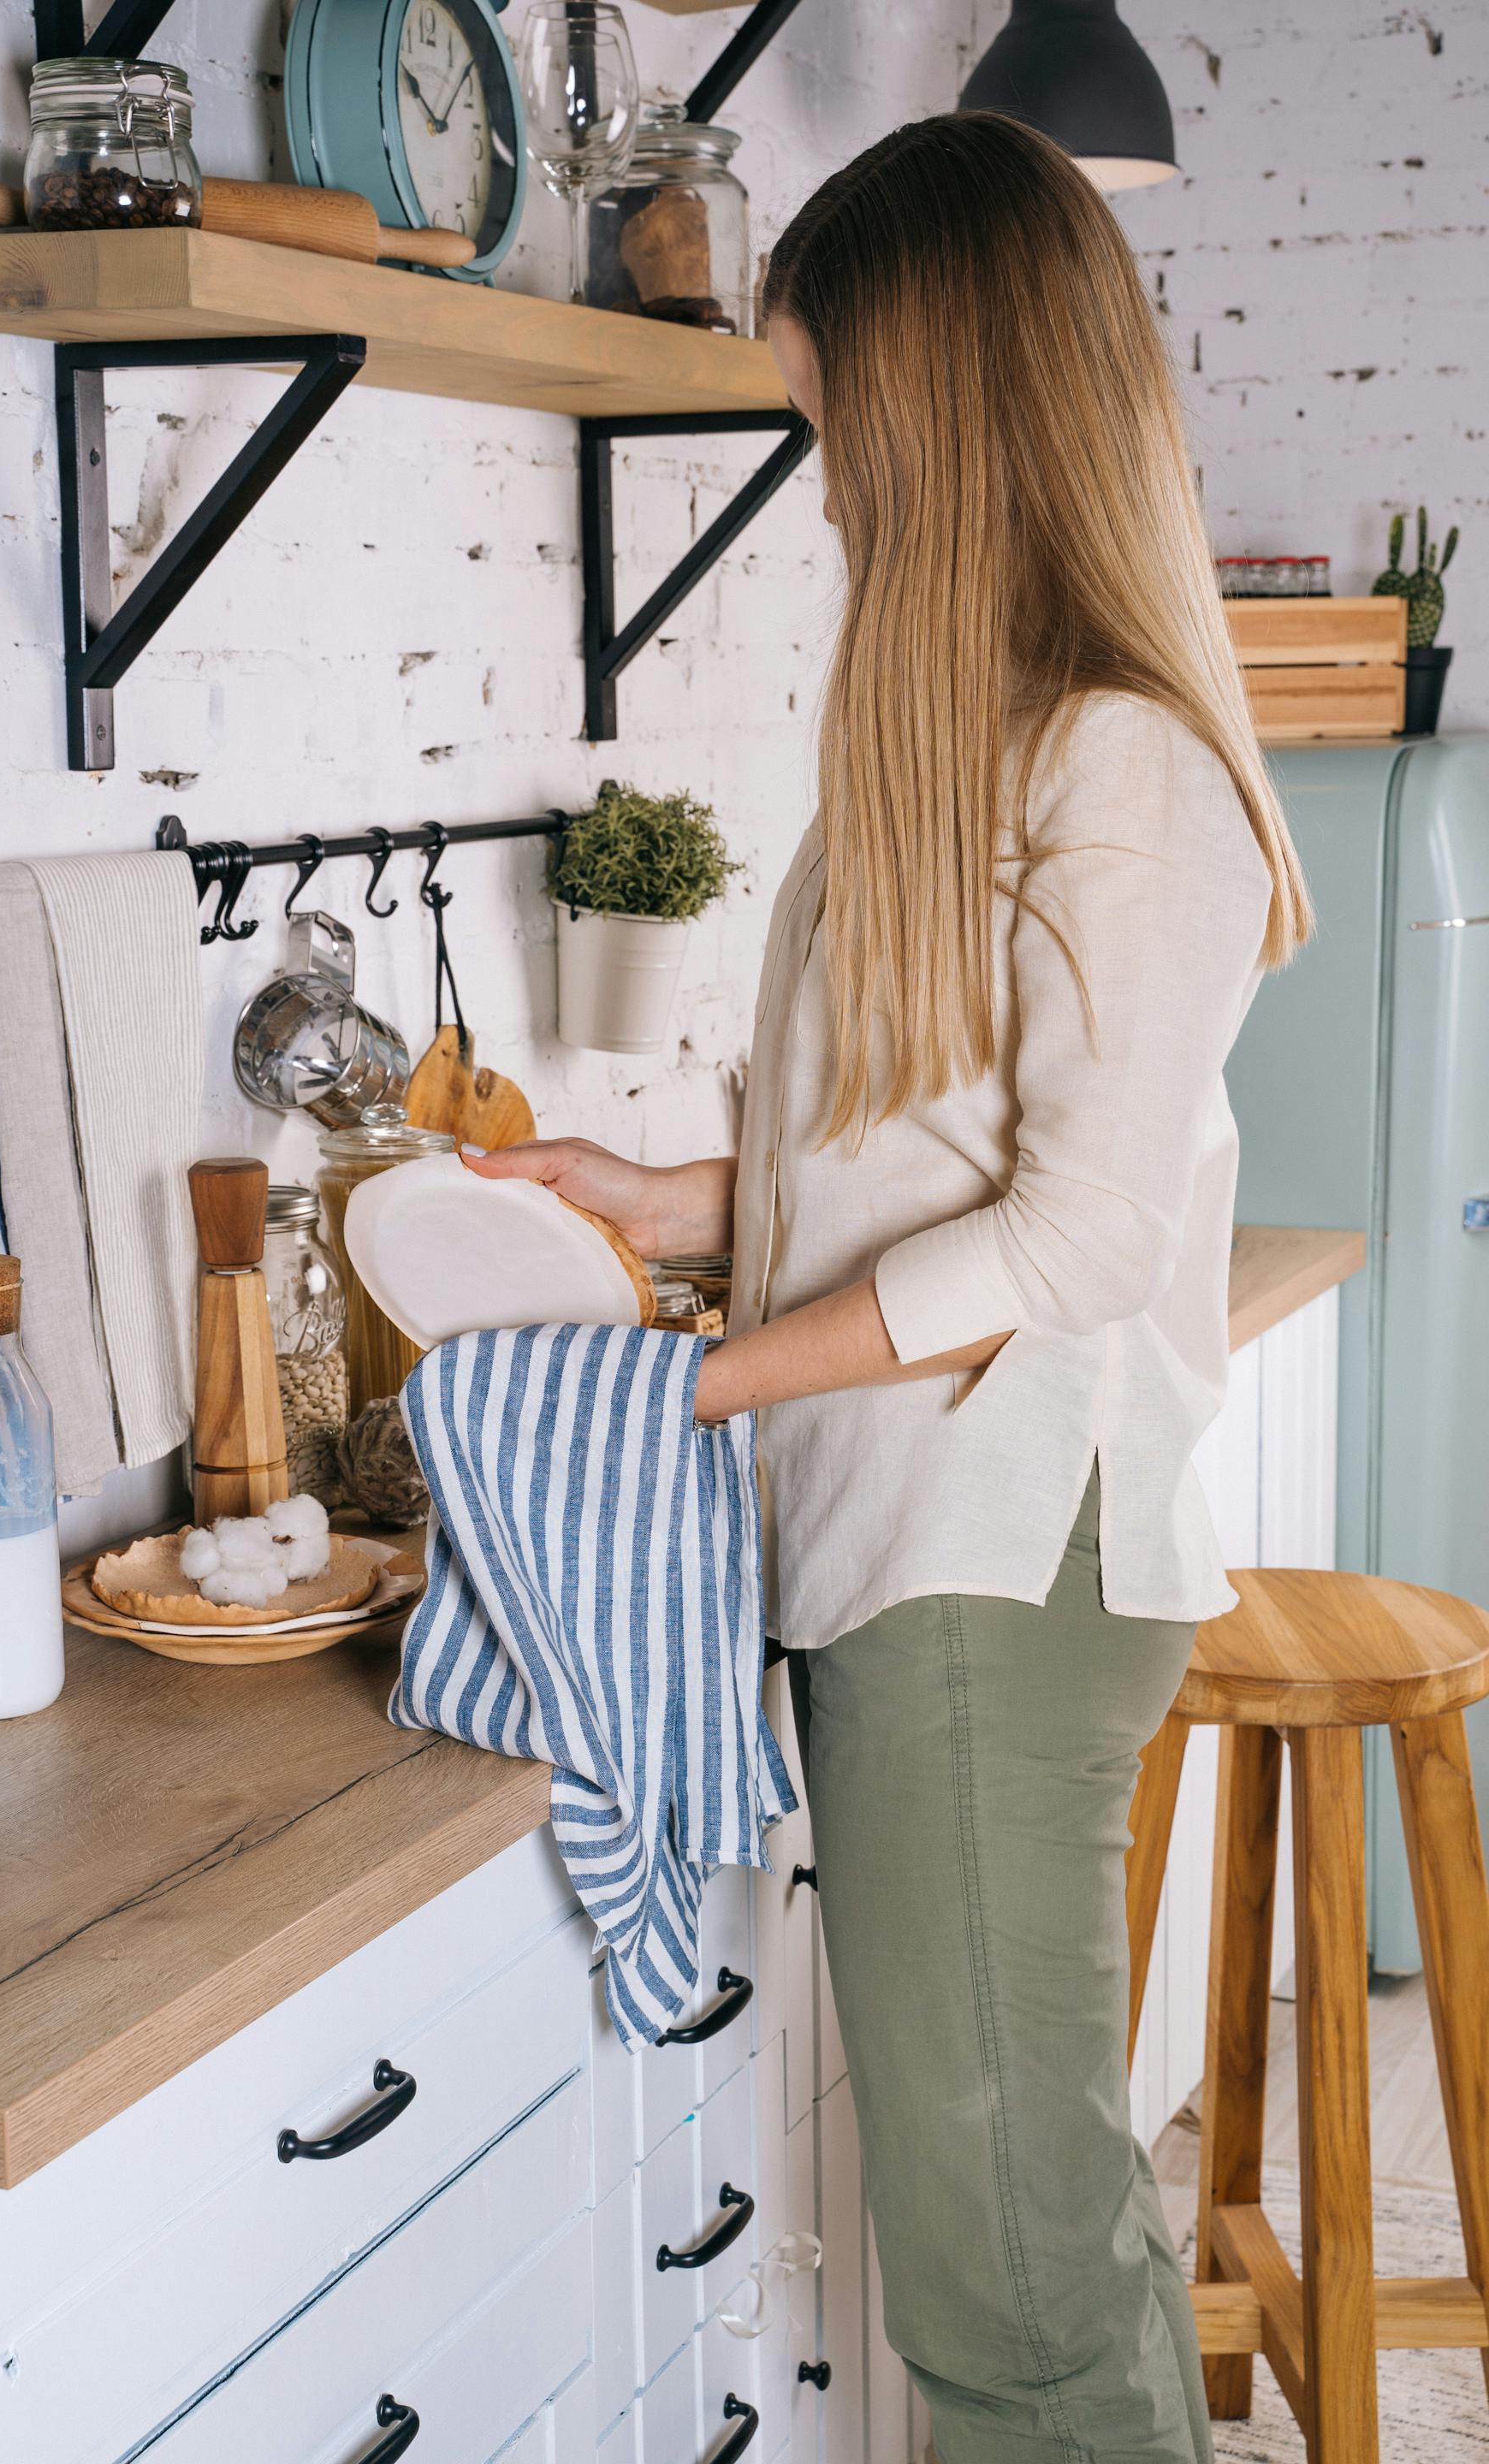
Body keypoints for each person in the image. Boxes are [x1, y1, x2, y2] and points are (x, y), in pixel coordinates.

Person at [471, 110, 1309, 2463]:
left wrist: (707, 1382)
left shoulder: (1119, 762)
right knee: (1041, 2245)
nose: (822, 485)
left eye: (835, 425)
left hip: (983, 1570)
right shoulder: (970, 736)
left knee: (1012, 2288)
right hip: (936, 1552)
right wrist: (666, 1200)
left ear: (940, 412)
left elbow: (1075, 1234)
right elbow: (914, 1134)